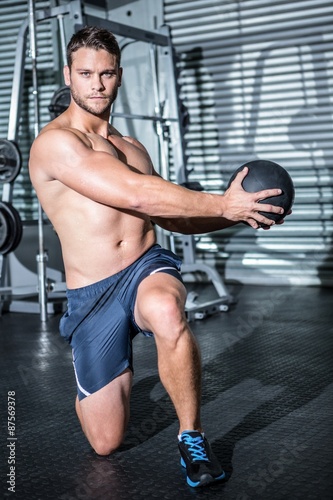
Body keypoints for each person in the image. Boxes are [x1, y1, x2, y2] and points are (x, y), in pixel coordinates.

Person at [29, 26, 286, 488]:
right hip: (93, 294)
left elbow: (173, 217)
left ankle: (192, 437)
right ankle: (94, 389)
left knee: (168, 309)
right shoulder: (55, 145)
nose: (97, 85)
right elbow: (139, 195)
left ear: (119, 76)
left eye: (106, 74)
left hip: (145, 267)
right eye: (86, 73)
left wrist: (237, 214)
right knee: (105, 443)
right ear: (68, 75)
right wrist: (223, 202)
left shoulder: (133, 148)